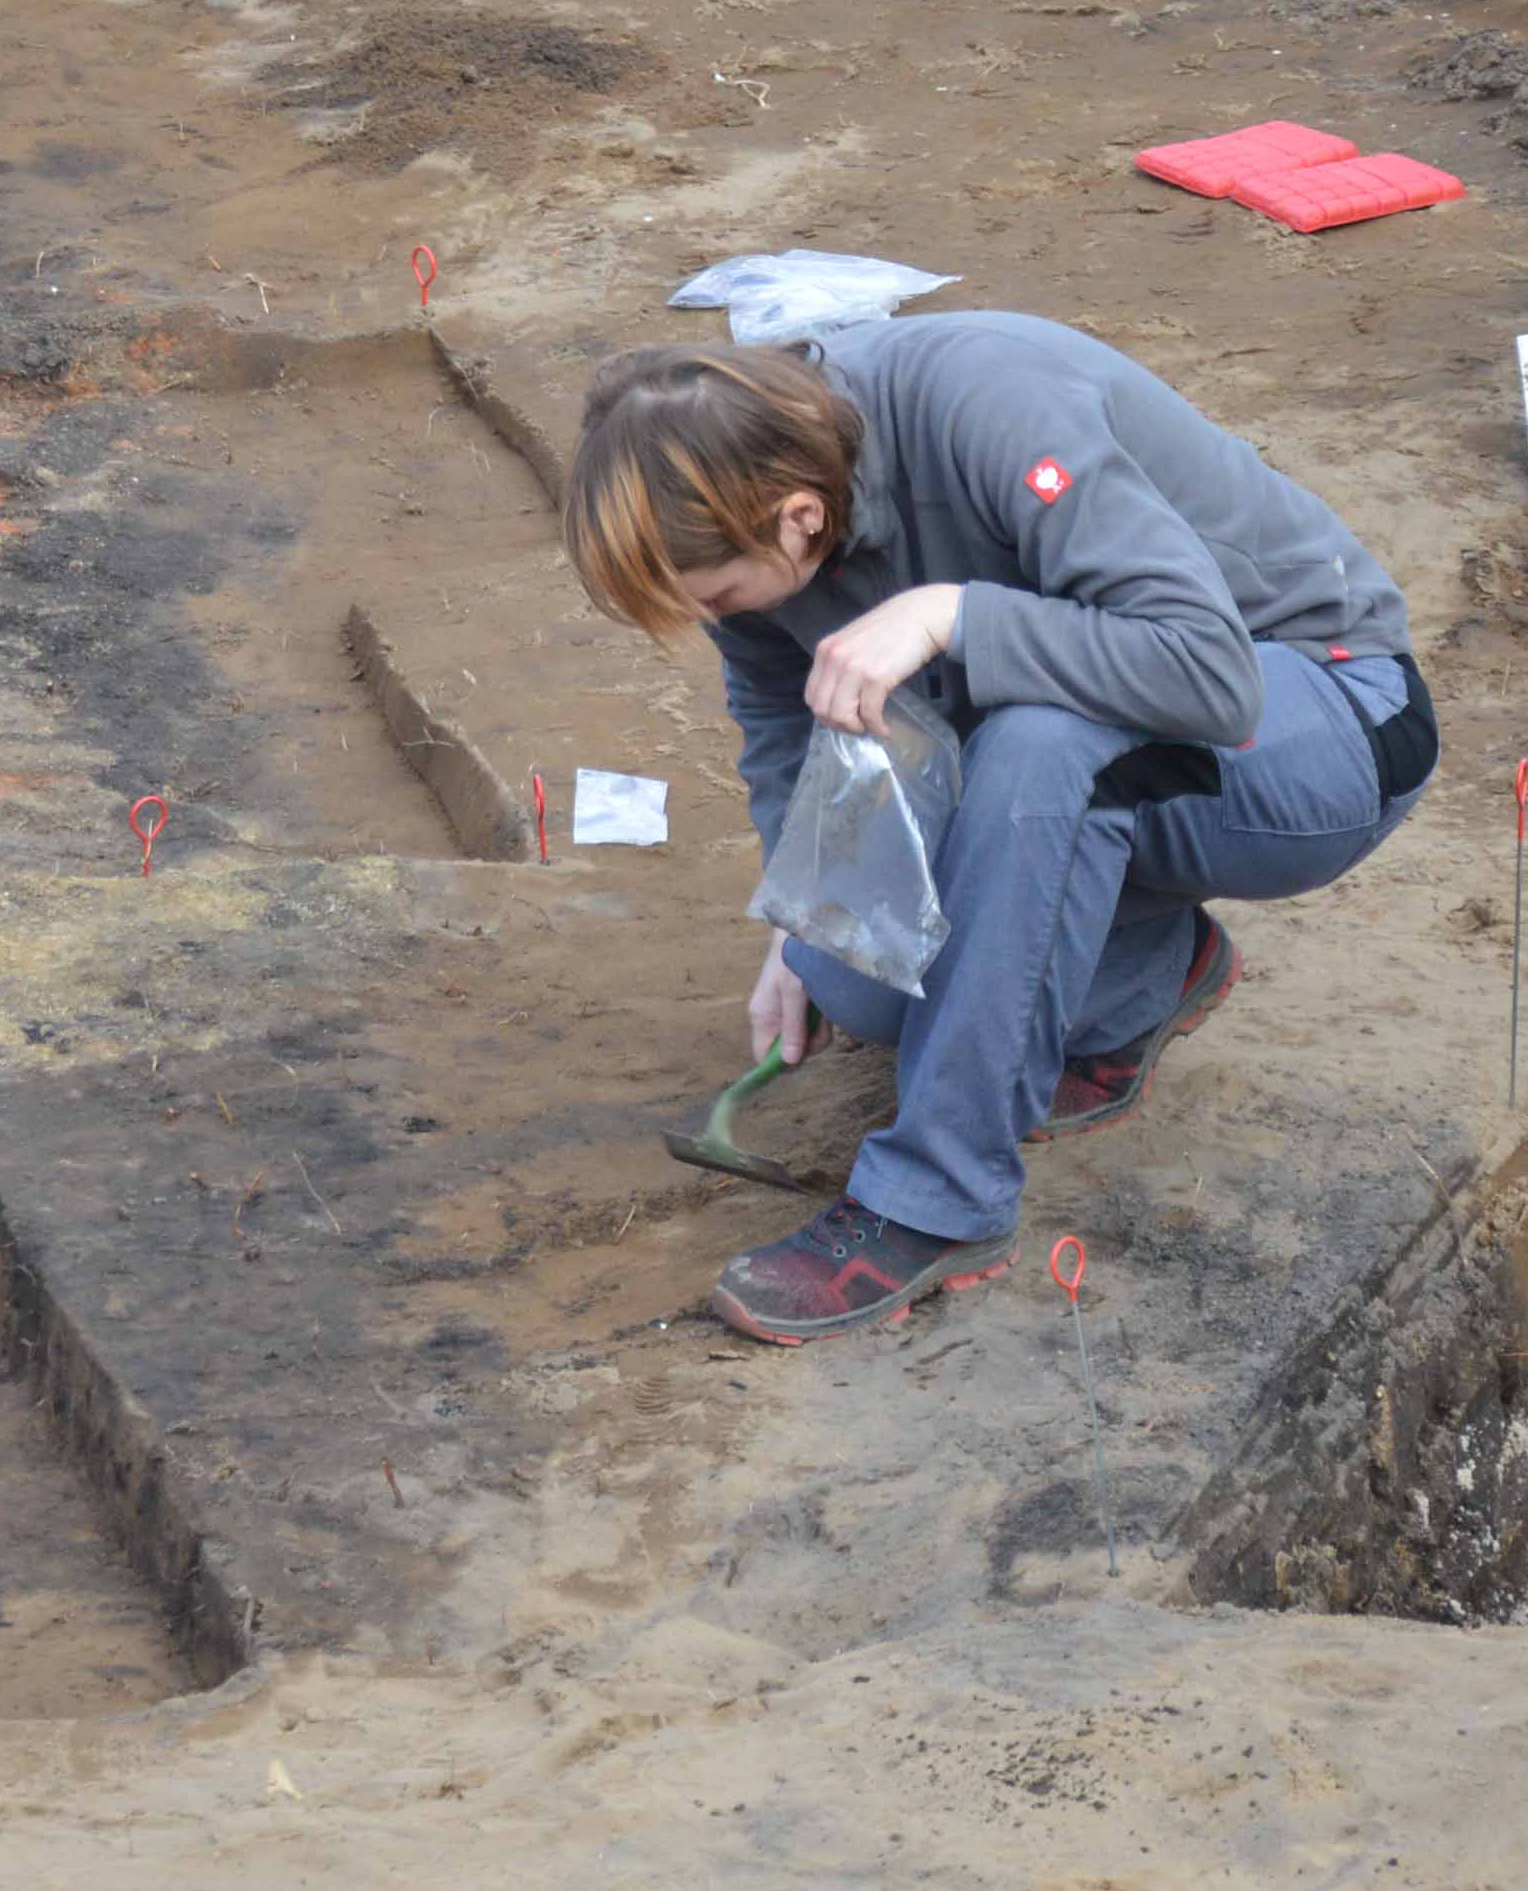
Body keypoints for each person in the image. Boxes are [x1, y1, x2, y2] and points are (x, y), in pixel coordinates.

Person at [565, 317, 1438, 1344]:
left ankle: (935, 1201)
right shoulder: (754, 520)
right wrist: (802, 908)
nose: (720, 619)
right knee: (851, 969)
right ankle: (1147, 967)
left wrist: (952, 615)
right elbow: (782, 724)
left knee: (1040, 743)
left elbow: (1210, 673)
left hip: (1327, 710)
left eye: (717, 597)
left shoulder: (985, 401)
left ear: (799, 516)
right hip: (1141, 756)